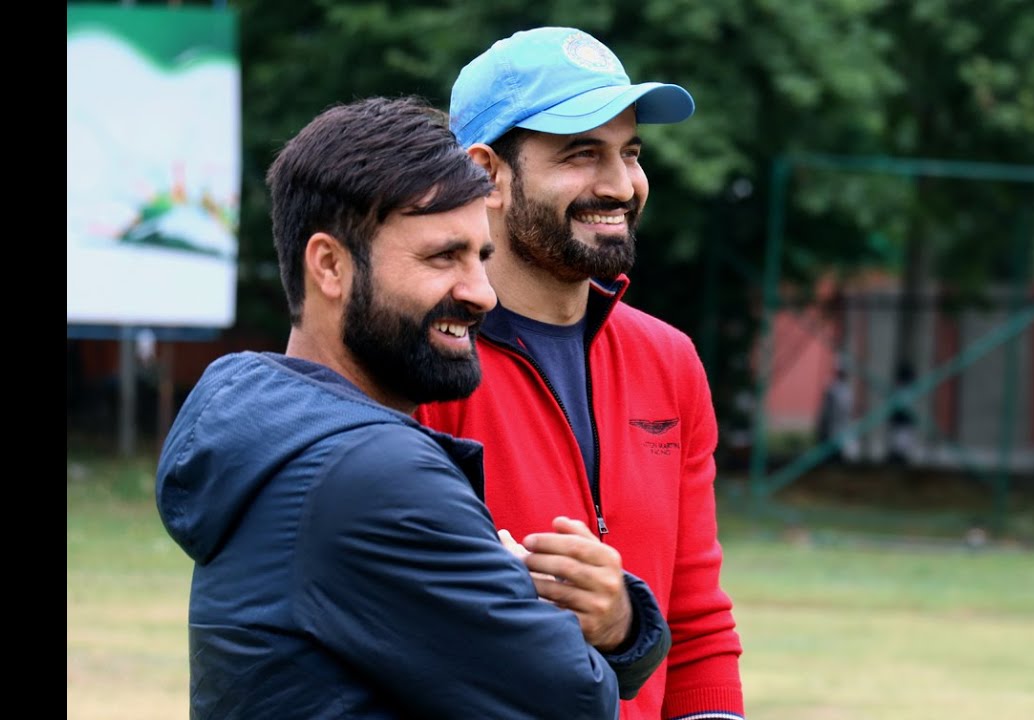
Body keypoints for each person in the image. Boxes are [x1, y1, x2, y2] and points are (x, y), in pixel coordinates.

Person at [155, 96, 671, 719]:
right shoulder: (371, 472)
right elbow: (572, 703)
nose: (480, 294)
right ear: (330, 266)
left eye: (481, 257)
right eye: (441, 257)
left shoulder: (278, 433)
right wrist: (620, 625)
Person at [415, 27, 745, 720]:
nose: (620, 184)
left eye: (630, 153)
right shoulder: (421, 361)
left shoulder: (670, 361)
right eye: (582, 154)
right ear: (487, 174)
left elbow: (698, 625)